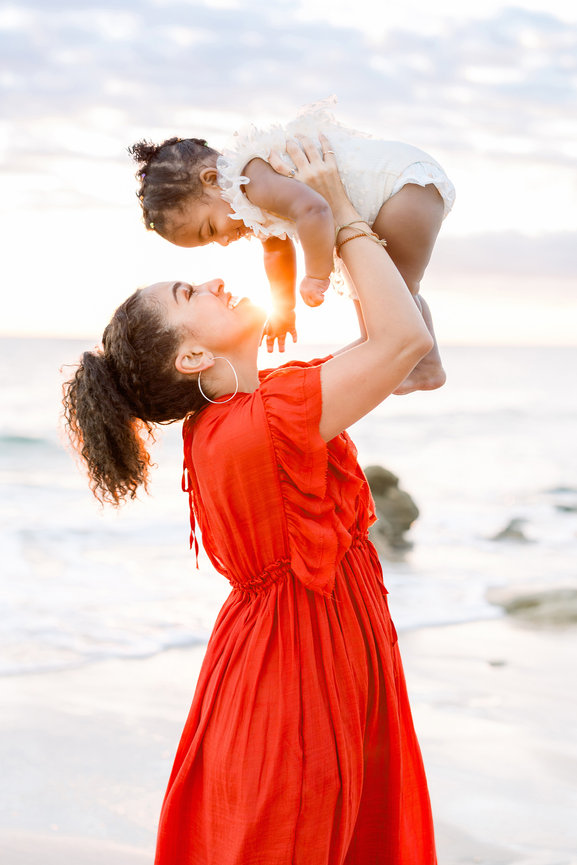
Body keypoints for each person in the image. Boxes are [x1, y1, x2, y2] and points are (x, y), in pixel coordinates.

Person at [63, 137, 437, 864]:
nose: (209, 281)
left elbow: (405, 356)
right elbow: (402, 340)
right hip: (296, 676)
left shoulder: (246, 414)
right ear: (193, 356)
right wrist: (343, 213)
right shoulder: (256, 423)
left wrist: (333, 221)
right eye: (186, 296)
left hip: (303, 652)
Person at [129, 99, 455, 394]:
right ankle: (397, 355)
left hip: (402, 190)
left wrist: (317, 274)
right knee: (373, 285)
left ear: (211, 179)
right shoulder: (250, 199)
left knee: (393, 288)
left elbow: (314, 210)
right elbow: (275, 249)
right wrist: (283, 309)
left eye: (212, 228)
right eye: (213, 241)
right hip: (397, 193)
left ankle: (422, 364)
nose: (225, 240)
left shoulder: (252, 178)